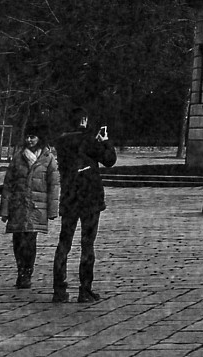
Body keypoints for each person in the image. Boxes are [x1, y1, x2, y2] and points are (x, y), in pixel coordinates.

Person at [53, 114, 118, 302]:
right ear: (83, 120)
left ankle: (59, 288)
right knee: (87, 244)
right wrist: (105, 141)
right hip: (89, 197)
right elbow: (109, 160)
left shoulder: (61, 142)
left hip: (70, 197)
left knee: (64, 243)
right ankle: (85, 288)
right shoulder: (89, 141)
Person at [2, 122, 57, 291]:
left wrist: (52, 210)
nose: (29, 140)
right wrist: (4, 209)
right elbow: (8, 184)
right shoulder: (18, 157)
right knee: (18, 240)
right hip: (18, 206)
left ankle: (27, 272)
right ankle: (20, 270)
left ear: (39, 138)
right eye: (27, 137)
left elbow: (54, 185)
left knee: (30, 241)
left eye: (32, 137)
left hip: (36, 207)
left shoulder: (48, 158)